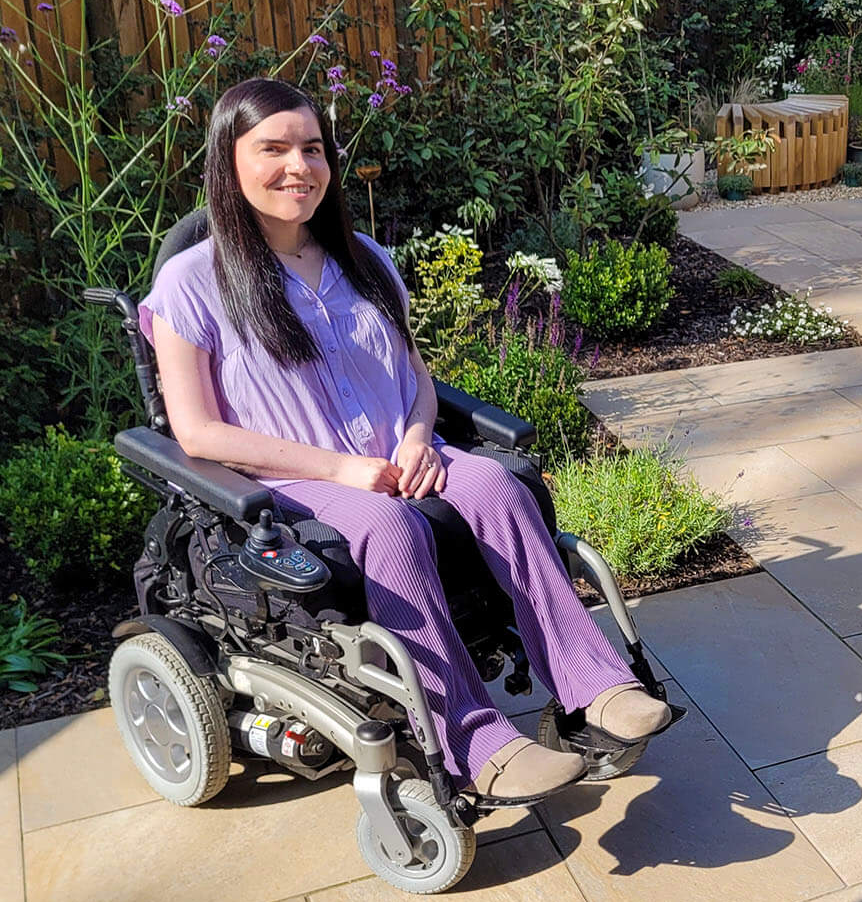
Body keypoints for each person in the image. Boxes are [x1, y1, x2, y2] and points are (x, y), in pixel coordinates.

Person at [139, 77, 669, 801]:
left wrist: (420, 437)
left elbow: (417, 375)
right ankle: (474, 746)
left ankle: (595, 687)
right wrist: (344, 471)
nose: (299, 167)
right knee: (386, 525)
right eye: (273, 149)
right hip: (290, 486)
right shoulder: (191, 283)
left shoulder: (362, 259)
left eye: (312, 149)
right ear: (228, 161)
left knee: (496, 484)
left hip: (401, 459)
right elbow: (196, 431)